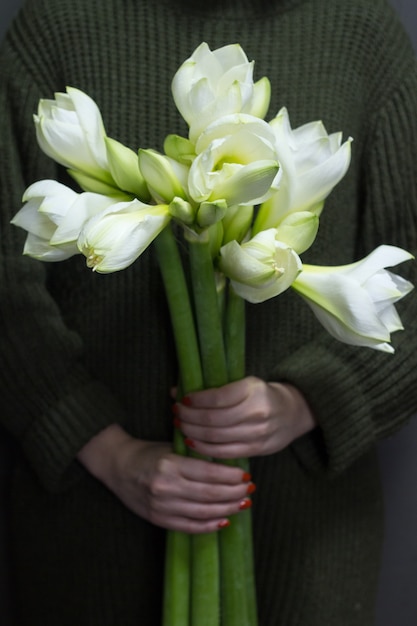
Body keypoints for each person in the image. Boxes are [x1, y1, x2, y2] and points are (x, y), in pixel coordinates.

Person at [0, 0, 416, 624]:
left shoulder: (363, 29)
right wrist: (108, 450)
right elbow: (7, 284)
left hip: (307, 536)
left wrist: (307, 401)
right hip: (89, 527)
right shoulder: (55, 24)